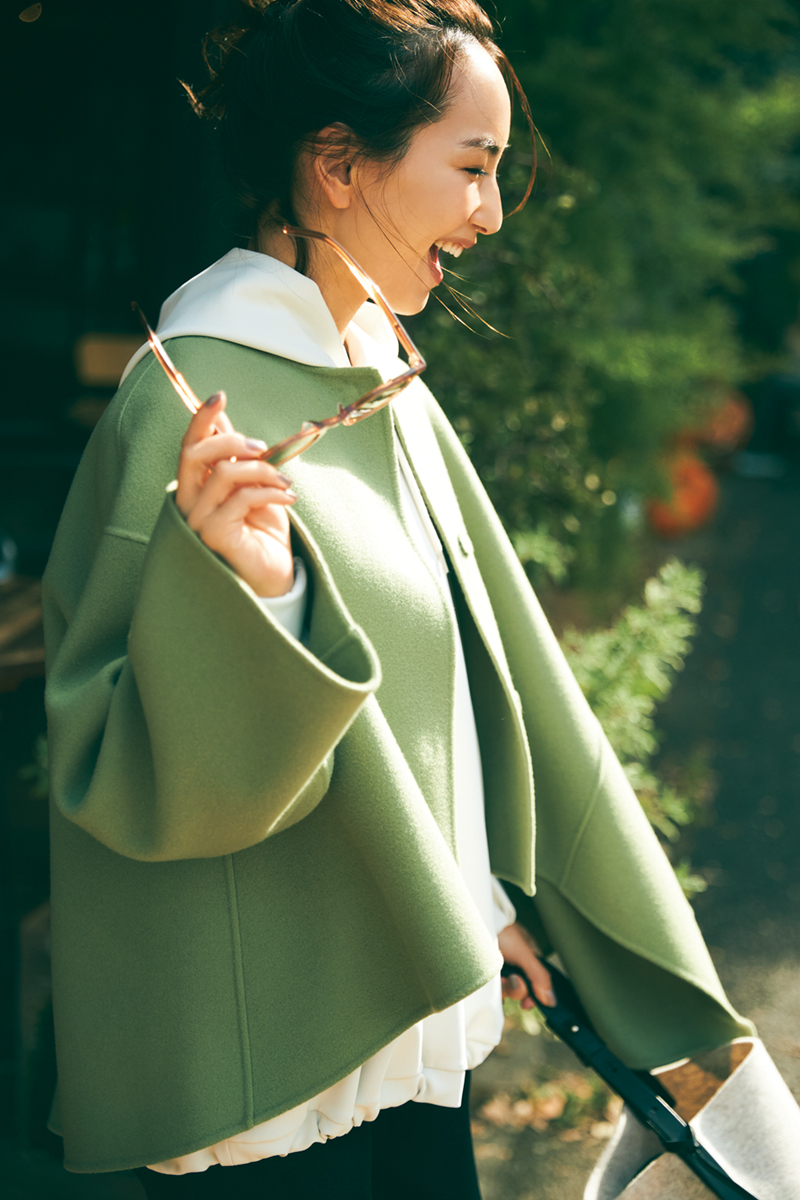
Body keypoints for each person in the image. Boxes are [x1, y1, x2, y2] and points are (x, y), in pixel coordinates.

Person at [42, 2, 757, 1197]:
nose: (486, 213)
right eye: (470, 168)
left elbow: (441, 699)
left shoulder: (377, 380)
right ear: (334, 168)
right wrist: (255, 597)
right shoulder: (189, 398)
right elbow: (112, 758)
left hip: (412, 1031)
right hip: (276, 1077)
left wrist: (475, 903)